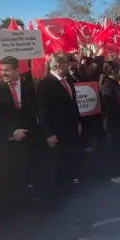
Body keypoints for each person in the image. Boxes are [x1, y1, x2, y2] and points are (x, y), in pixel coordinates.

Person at [0, 57, 36, 204]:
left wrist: (25, 130)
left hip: (26, 135)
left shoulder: (28, 86)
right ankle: (8, 203)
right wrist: (12, 132)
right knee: (7, 171)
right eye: (2, 70)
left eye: (7, 70)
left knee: (25, 168)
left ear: (17, 70)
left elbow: (32, 110)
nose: (4, 73)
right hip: (7, 138)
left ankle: (25, 198)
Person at [36, 53, 83, 196]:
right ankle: (59, 193)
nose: (69, 65)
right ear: (57, 65)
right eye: (65, 62)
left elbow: (73, 103)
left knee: (70, 159)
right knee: (58, 162)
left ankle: (70, 187)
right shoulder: (46, 84)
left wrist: (78, 122)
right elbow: (43, 111)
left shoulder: (67, 79)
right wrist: (49, 133)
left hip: (71, 128)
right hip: (57, 131)